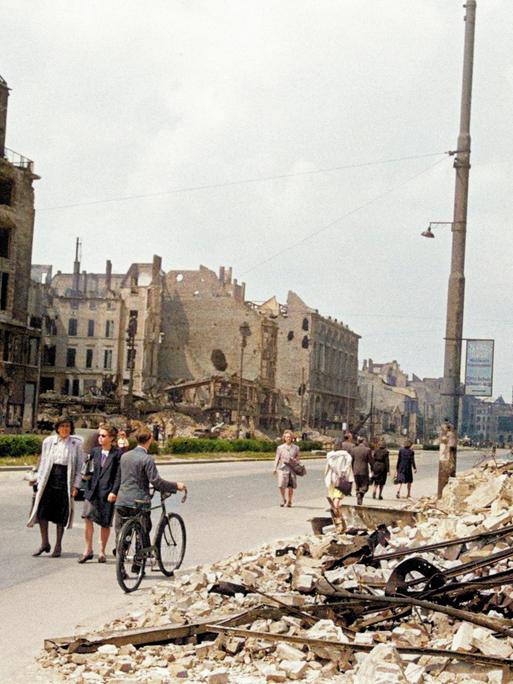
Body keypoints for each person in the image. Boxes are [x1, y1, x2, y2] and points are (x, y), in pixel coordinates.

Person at [114, 427, 187, 541]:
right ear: (150, 440)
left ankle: (121, 551)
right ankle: (142, 554)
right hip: (139, 501)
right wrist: (176, 486)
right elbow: (156, 481)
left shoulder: (125, 456)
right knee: (143, 530)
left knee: (122, 533)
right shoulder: (147, 459)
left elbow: (120, 477)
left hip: (122, 500)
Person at [27, 416, 85, 558]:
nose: (65, 429)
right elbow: (44, 462)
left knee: (60, 513)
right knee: (42, 512)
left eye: (68, 426)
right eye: (62, 426)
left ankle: (58, 545)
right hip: (49, 478)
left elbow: (80, 467)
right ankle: (44, 542)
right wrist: (38, 480)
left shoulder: (76, 444)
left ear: (71, 429)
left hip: (65, 479)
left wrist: (76, 486)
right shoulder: (48, 442)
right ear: (57, 428)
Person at [79, 423, 122, 563]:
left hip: (107, 492)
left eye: (103, 436)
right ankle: (88, 549)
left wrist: (114, 491)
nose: (100, 438)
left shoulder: (117, 455)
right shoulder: (95, 451)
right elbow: (88, 469)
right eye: (99, 435)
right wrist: (84, 481)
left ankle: (102, 551)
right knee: (87, 518)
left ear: (111, 438)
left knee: (105, 523)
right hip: (92, 491)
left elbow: (118, 476)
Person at [324, 438, 353, 531]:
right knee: (337, 498)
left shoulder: (329, 455)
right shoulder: (346, 455)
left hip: (331, 478)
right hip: (340, 479)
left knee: (332, 496)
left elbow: (328, 467)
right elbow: (349, 463)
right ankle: (337, 514)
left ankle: (335, 512)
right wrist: (344, 471)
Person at [273, 429, 301, 507]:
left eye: (289, 437)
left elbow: (298, 458)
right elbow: (277, 458)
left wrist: (295, 460)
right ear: (284, 438)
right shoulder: (280, 448)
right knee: (281, 484)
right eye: (286, 437)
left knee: (290, 486)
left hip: (292, 469)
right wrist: (275, 468)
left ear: (292, 438)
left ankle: (289, 501)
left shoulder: (296, 448)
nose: (288, 438)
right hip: (282, 468)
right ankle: (283, 499)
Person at [351, 436, 372, 506]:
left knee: (357, 484)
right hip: (364, 470)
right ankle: (360, 493)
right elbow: (371, 461)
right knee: (365, 485)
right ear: (363, 441)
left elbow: (351, 461)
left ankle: (359, 497)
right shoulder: (367, 450)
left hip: (355, 470)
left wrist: (352, 469)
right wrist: (373, 469)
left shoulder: (354, 449)